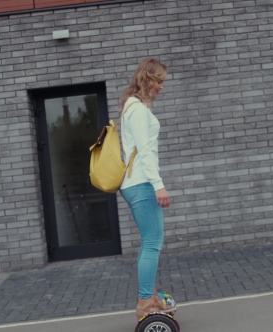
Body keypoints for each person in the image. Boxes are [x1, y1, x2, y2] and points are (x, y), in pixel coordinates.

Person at [118, 58, 175, 321]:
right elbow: (145, 152)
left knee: (150, 242)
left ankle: (148, 296)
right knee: (152, 242)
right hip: (142, 182)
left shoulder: (135, 107)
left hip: (137, 182)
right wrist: (159, 185)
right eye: (159, 81)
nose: (161, 87)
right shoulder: (138, 110)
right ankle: (145, 303)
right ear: (147, 78)